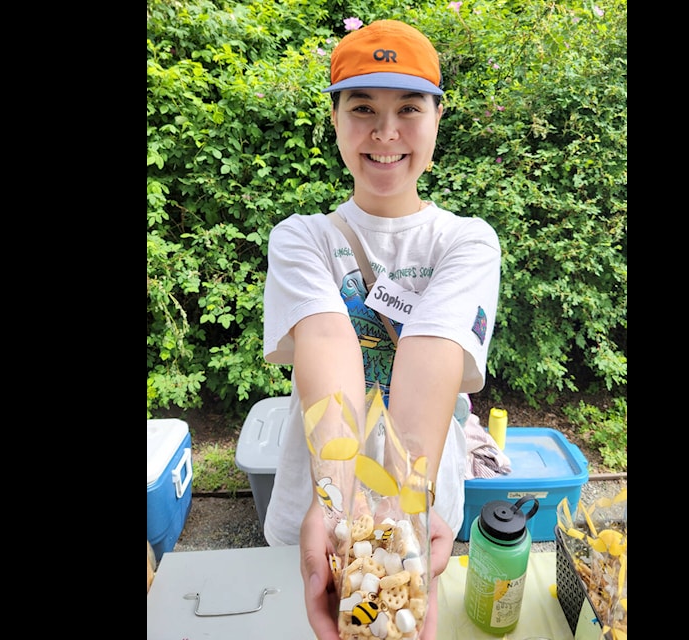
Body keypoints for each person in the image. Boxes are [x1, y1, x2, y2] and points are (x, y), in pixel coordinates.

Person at [261, 19, 501, 639]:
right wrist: (344, 508)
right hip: (324, 503)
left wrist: (398, 519)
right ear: (336, 120)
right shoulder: (301, 239)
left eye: (408, 108)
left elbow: (431, 353)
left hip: (418, 506)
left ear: (437, 118)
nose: (386, 132)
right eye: (363, 107)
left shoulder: (466, 242)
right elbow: (327, 342)